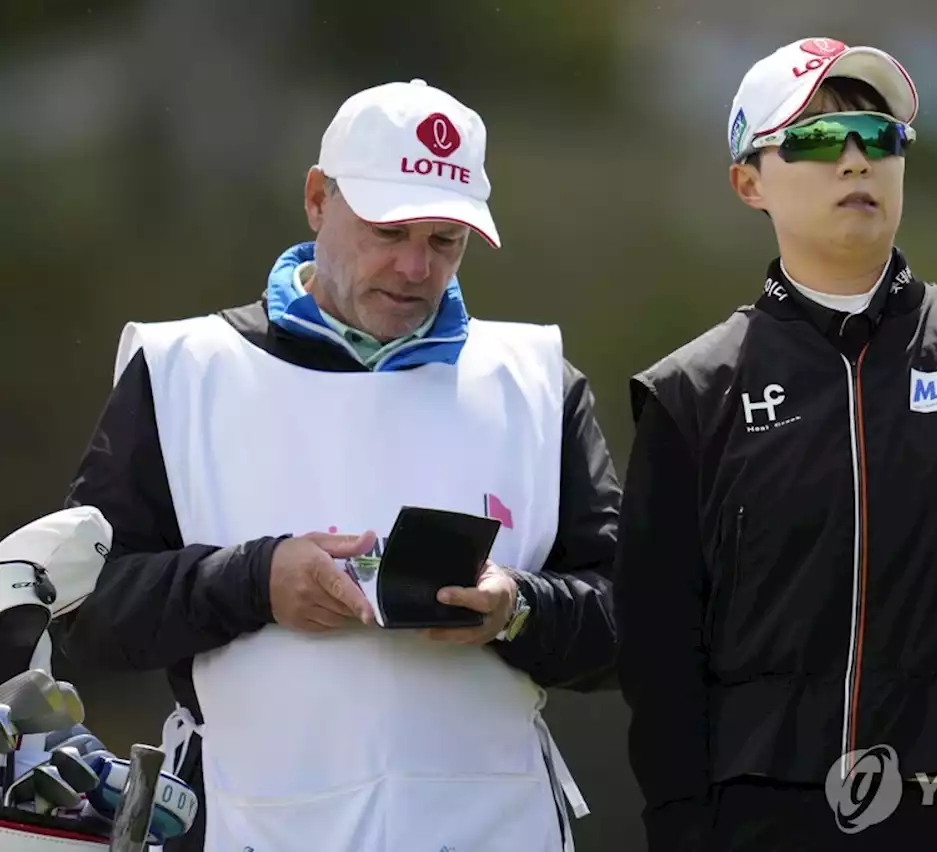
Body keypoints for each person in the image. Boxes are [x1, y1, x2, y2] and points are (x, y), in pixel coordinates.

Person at [57, 78, 620, 852]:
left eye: (443, 242)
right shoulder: (183, 368)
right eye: (389, 231)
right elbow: (83, 614)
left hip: (493, 827)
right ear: (319, 199)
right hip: (248, 824)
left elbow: (630, 621)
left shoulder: (535, 380)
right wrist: (255, 581)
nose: (416, 268)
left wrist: (517, 608)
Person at [614, 37, 937, 851]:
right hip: (763, 816)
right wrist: (677, 824)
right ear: (748, 182)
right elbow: (660, 646)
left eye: (878, 137)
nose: (855, 161)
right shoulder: (690, 393)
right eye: (814, 140)